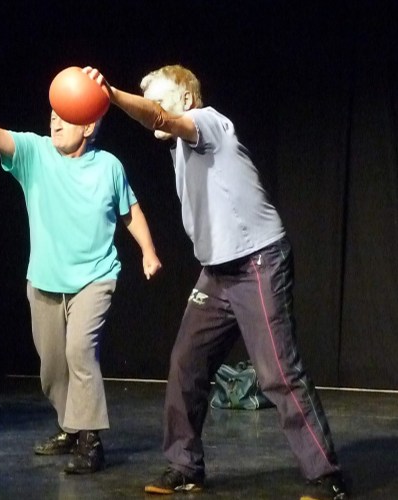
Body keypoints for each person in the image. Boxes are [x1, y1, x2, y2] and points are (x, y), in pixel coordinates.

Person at [84, 65, 347, 499]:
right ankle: (184, 466)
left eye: (160, 100)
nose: (154, 109)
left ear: (186, 100)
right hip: (217, 271)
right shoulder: (180, 148)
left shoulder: (207, 122)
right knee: (185, 364)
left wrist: (110, 95)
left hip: (257, 259)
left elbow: (160, 118)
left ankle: (327, 476)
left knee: (277, 372)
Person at [0, 101, 162, 473]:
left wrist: (148, 251)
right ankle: (71, 427)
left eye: (66, 116)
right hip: (44, 280)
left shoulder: (108, 166)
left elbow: (130, 211)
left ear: (88, 127)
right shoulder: (35, 154)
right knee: (52, 369)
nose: (55, 120)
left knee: (80, 351)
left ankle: (90, 441)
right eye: (53, 114)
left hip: (95, 277)